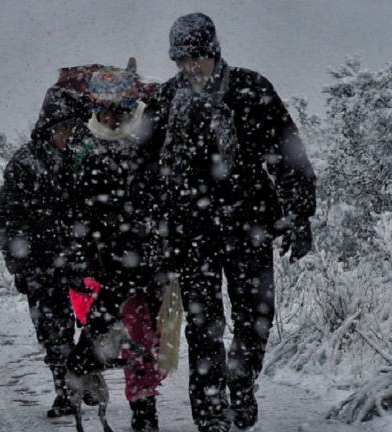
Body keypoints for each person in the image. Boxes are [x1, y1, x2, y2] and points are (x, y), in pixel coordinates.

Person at [145, 13, 317, 432]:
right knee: (204, 327)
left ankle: (241, 378)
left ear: (214, 51)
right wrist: (151, 228)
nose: (189, 68)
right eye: (181, 60)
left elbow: (287, 152)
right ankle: (209, 413)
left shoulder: (250, 89)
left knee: (256, 316)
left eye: (196, 58)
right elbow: (144, 171)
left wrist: (298, 214)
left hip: (248, 223)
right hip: (190, 231)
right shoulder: (167, 101)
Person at [64, 65, 166, 432]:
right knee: (108, 333)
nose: (109, 117)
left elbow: (161, 201)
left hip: (145, 260)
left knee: (142, 336)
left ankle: (143, 407)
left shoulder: (149, 145)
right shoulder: (86, 150)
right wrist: (80, 252)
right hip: (104, 263)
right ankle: (93, 384)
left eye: (116, 110)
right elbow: (79, 209)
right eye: (103, 110)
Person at [0, 85, 93, 418]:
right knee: (53, 329)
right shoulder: (25, 162)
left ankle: (85, 373)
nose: (67, 134)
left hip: (81, 258)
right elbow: (10, 217)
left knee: (95, 321)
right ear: (48, 125)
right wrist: (20, 264)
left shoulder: (83, 158)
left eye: (72, 128)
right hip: (40, 262)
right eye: (62, 127)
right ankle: (66, 390)